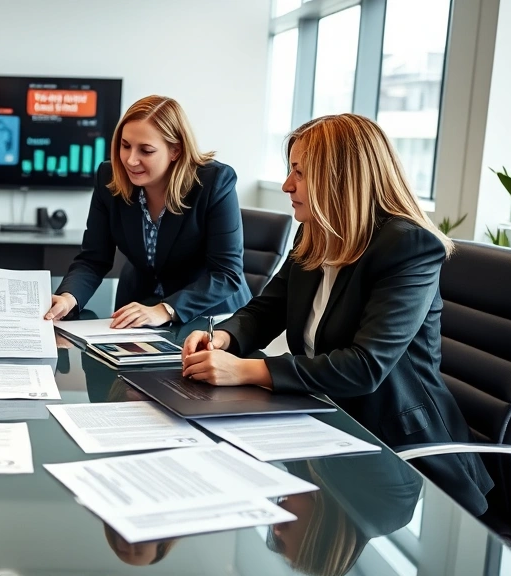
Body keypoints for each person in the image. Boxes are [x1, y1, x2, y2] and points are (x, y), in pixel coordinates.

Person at [181, 113, 493, 516]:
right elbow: (268, 308)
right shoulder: (314, 232)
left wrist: (246, 370)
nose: (287, 185)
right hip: (323, 420)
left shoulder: (409, 247)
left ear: (342, 179)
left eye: (300, 173)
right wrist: (224, 338)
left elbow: (365, 366)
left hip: (396, 451)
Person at [45, 95, 251, 327]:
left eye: (146, 150)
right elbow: (93, 259)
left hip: (208, 317)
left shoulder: (214, 182)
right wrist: (69, 297)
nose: (131, 160)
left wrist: (166, 309)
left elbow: (226, 274)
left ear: (175, 151)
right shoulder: (108, 178)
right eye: (125, 146)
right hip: (139, 307)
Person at [267, 453, 423, 576]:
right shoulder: (387, 505)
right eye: (285, 523)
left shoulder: (303, 480)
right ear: (320, 532)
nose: (275, 525)